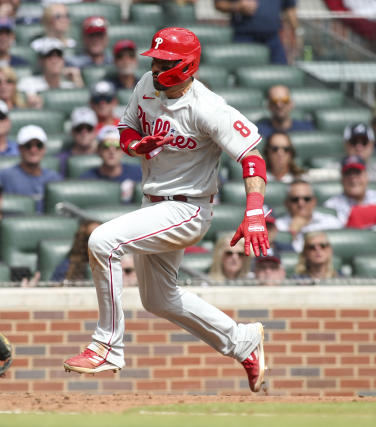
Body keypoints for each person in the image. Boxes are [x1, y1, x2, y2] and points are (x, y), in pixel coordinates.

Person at [63, 28, 270, 393]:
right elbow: (125, 128)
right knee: (158, 299)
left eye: (165, 62)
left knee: (102, 241)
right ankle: (242, 341)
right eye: (155, 59)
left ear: (186, 66)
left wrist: (254, 210)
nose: (156, 67)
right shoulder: (146, 83)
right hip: (154, 202)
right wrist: (136, 146)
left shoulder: (208, 107)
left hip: (189, 208)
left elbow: (252, 159)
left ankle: (107, 346)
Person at [0, 125, 63, 213]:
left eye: (39, 145)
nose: (33, 150)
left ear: (44, 149)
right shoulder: (4, 176)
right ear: (19, 148)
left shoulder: (54, 178)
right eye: (28, 146)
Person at [214, 0, 301, 65]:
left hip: (273, 38)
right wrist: (237, 6)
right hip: (244, 37)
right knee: (246, 76)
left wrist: (297, 32)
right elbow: (219, 4)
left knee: (281, 74)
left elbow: (290, 9)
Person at [274, 179, 342, 252]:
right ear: (286, 203)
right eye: (295, 199)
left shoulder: (331, 222)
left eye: (306, 199)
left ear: (314, 201)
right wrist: (292, 233)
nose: (301, 203)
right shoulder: (277, 226)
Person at [80, 126, 141, 202]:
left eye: (117, 146)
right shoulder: (86, 180)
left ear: (123, 151)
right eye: (106, 146)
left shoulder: (139, 174)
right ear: (98, 150)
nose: (112, 151)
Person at [18, 37, 83, 109]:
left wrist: (77, 80)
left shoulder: (70, 87)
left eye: (58, 56)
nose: (54, 61)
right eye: (49, 56)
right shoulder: (28, 84)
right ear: (41, 61)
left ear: (63, 61)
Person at [323, 155, 376, 225]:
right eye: (348, 174)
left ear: (367, 176)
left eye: (357, 173)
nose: (353, 179)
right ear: (342, 179)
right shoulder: (331, 206)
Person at [342, 122, 376, 191]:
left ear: (372, 145)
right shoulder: (331, 172)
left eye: (364, 142)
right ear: (345, 145)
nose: (359, 147)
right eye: (354, 142)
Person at [51, 219, 101, 283]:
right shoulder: (66, 268)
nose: (98, 243)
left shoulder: (115, 264)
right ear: (82, 243)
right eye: (91, 238)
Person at [58, 106, 98, 176]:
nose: (84, 133)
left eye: (89, 128)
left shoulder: (103, 157)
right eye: (79, 128)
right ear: (72, 131)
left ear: (95, 132)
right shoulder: (61, 160)